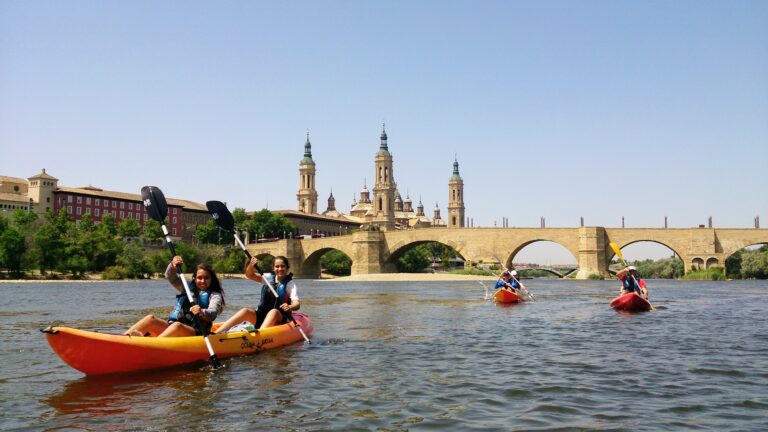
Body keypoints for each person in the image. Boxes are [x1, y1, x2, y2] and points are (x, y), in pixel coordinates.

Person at [124, 256, 225, 337]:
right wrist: (173, 265)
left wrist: (202, 312)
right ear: (194, 278)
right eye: (199, 278)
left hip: (197, 332)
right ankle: (124, 338)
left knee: (177, 326)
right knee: (151, 318)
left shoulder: (215, 295)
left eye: (206, 278)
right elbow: (170, 276)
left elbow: (213, 313)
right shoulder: (186, 287)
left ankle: (153, 345)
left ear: (211, 279)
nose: (203, 281)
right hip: (173, 326)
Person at [214, 256, 301, 334]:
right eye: (277, 266)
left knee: (273, 312)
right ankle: (217, 333)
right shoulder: (268, 278)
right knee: (245, 311)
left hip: (279, 317)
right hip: (261, 315)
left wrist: (289, 307)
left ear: (287, 268)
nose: (280, 269)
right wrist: (251, 266)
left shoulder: (290, 284)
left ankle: (259, 336)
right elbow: (250, 275)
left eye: (282, 266)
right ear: (273, 268)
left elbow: (297, 304)